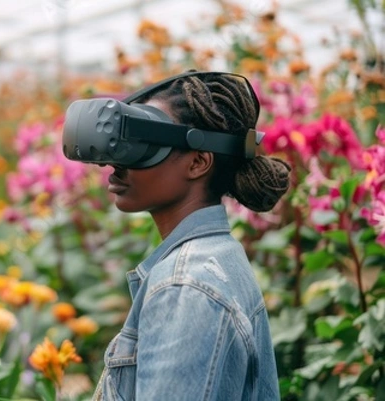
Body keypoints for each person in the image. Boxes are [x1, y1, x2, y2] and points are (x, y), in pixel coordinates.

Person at [66, 71, 290, 400]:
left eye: (142, 147)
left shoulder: (185, 288)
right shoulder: (219, 255)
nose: (115, 165)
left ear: (198, 162)